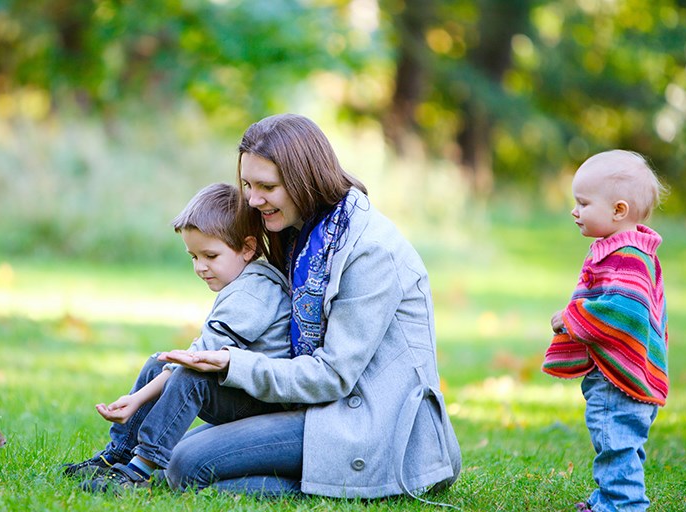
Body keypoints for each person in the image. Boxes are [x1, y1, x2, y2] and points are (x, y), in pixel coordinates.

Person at [158, 113, 462, 499]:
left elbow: (333, 376)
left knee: (188, 466)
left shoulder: (370, 251)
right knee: (176, 459)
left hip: (366, 425)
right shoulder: (305, 234)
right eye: (248, 184)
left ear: (305, 178)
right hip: (313, 409)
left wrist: (235, 363)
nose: (252, 199)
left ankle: (333, 485)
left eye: (267, 186)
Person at [61, 182, 292, 492]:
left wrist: (138, 399)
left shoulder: (254, 292)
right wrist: (141, 394)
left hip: (264, 401)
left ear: (247, 248)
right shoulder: (242, 284)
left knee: (189, 376)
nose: (200, 267)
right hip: (240, 389)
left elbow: (200, 358)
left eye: (210, 255)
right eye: (193, 257)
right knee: (160, 363)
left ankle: (139, 470)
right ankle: (118, 455)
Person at [541, 150, 669, 511]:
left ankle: (624, 504)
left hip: (619, 379)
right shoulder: (619, 251)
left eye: (583, 202)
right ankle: (607, 499)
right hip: (613, 373)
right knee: (614, 438)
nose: (574, 210)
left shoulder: (628, 255)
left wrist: (571, 317)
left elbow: (622, 311)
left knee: (615, 441)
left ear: (618, 210)